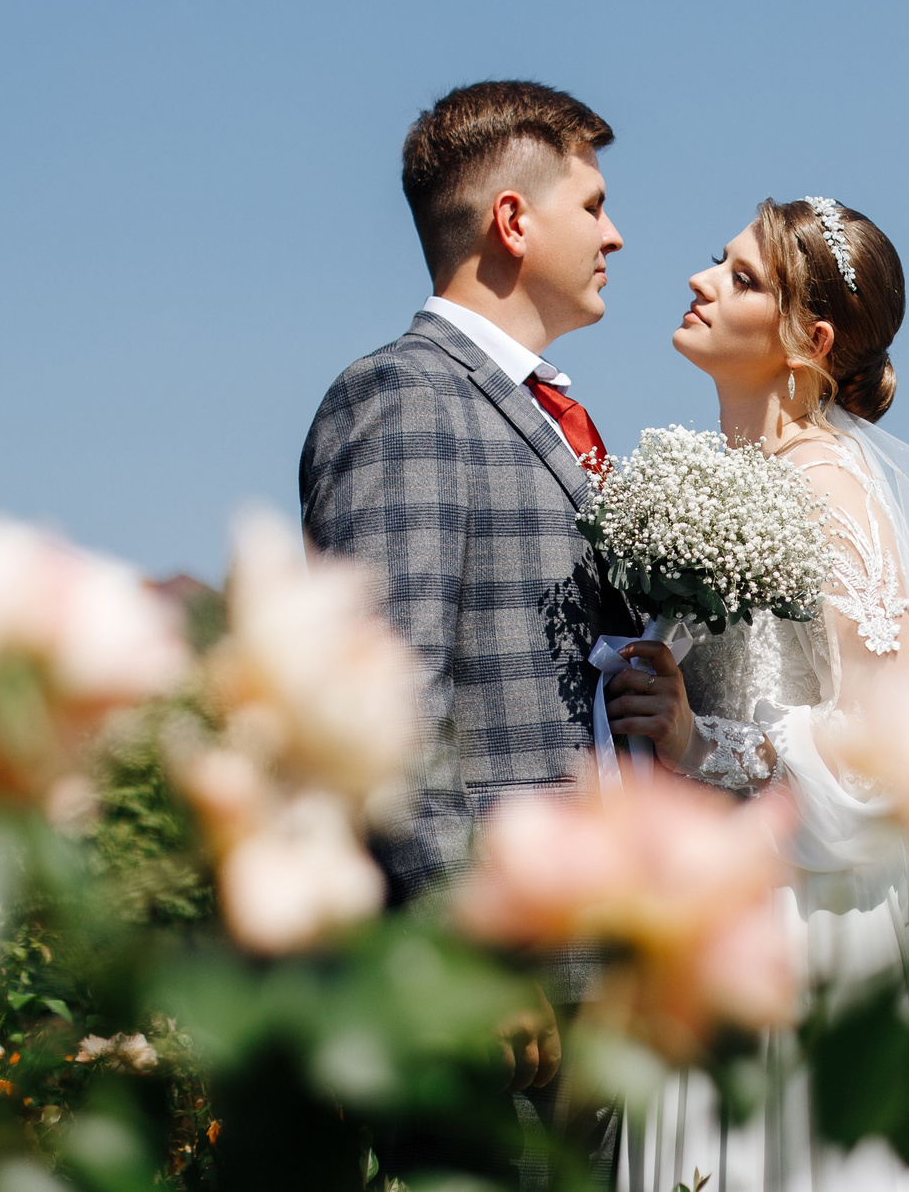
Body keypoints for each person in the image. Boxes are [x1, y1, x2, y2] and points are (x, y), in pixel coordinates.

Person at [602, 197, 909, 1192]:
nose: (701, 281)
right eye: (718, 262)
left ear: (809, 341)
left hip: (804, 917)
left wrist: (704, 746)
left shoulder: (829, 489)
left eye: (741, 279)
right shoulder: (705, 480)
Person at [299, 79, 638, 1161]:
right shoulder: (405, 397)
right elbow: (383, 712)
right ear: (511, 220)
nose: (616, 235)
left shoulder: (551, 410)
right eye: (592, 205)